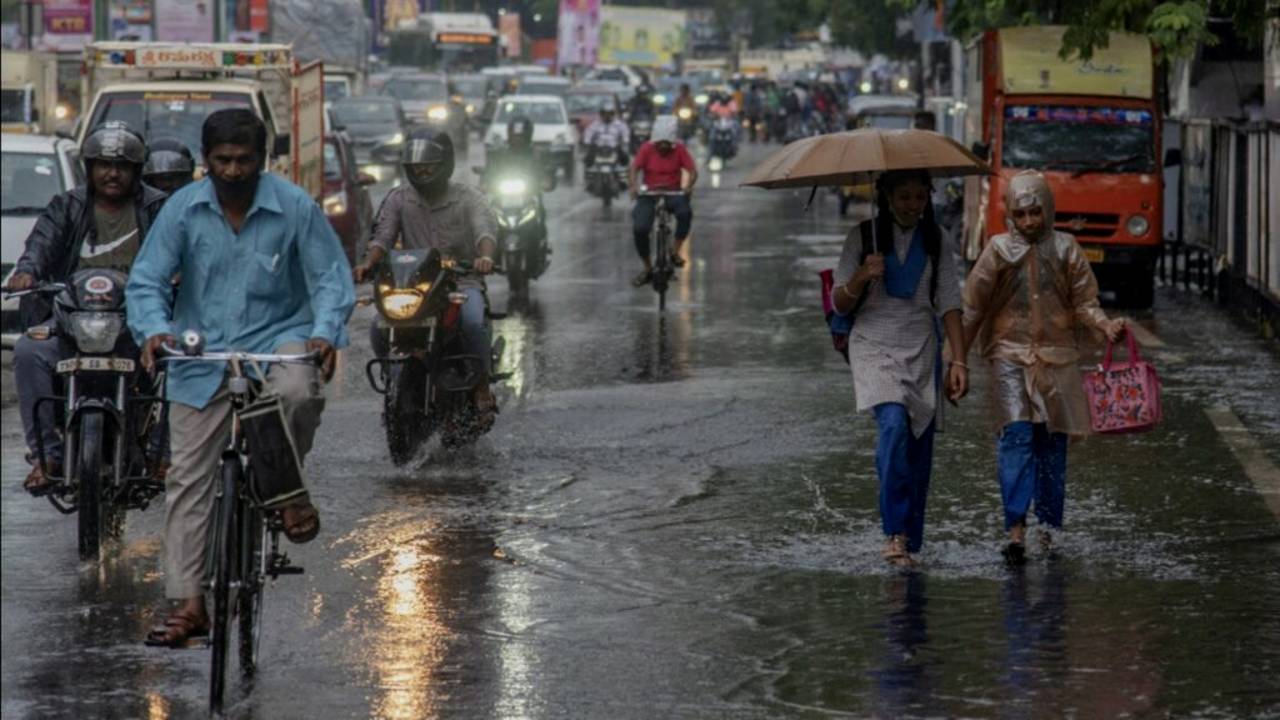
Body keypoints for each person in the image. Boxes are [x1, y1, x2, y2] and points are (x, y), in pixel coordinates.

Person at [127, 108, 355, 646]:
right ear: (205, 162)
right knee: (187, 480)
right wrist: (154, 331)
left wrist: (324, 333)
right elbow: (148, 281)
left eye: (244, 160)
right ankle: (189, 604)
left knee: (298, 387)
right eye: (222, 160)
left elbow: (329, 278)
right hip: (201, 349)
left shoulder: (294, 206)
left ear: (263, 161)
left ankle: (281, 486)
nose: (233, 170)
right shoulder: (183, 209)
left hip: (278, 337)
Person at [962, 170, 1126, 564]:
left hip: (1058, 359)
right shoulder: (997, 251)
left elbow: (1086, 301)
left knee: (1053, 445)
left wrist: (1105, 325)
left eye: (1036, 212)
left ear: (1048, 210)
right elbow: (972, 307)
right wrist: (955, 359)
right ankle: (1016, 528)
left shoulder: (1068, 249)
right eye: (1022, 214)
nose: (1030, 221)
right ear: (1010, 216)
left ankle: (1050, 529)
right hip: (1009, 357)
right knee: (1016, 437)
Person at [5, 121, 168, 495]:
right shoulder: (68, 205)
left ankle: (162, 454)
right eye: (103, 164)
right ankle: (47, 457)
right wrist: (27, 272)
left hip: (139, 322)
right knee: (30, 351)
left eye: (122, 165)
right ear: (89, 168)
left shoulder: (159, 208)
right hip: (71, 319)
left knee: (182, 359)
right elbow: (40, 245)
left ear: (136, 170)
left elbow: (179, 253)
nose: (112, 173)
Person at [830, 169, 968, 568]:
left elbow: (950, 305)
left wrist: (958, 360)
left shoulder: (936, 241)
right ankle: (893, 534)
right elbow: (839, 303)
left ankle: (910, 537)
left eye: (920, 197)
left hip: (922, 346)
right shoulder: (862, 236)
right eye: (904, 196)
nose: (912, 205)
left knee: (919, 445)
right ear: (887, 196)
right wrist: (861, 276)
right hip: (873, 344)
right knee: (893, 426)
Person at [352, 128, 500, 422]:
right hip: (415, 284)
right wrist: (369, 263)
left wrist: (484, 257)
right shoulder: (398, 199)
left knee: (471, 322)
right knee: (377, 327)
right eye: (416, 166)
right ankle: (394, 379)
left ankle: (481, 385)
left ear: (444, 164)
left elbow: (485, 231)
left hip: (460, 281)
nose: (421, 171)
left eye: (428, 165)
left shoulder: (469, 197)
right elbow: (382, 237)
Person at [627, 115, 697, 287]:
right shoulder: (646, 149)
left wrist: (688, 186)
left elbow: (692, 170)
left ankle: (675, 250)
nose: (663, 147)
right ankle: (648, 268)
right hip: (649, 194)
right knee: (640, 227)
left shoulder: (679, 149)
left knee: (685, 213)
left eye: (667, 144)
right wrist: (633, 186)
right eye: (660, 144)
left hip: (673, 192)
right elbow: (634, 168)